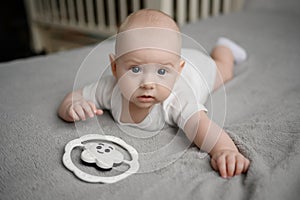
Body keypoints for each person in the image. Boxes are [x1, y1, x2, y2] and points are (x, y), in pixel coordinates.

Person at [58, 9, 249, 178]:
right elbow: (74, 97)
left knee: (225, 71)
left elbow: (200, 126)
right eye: (135, 69)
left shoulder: (177, 99)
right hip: (170, 59)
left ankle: (225, 48)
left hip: (198, 69)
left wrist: (224, 150)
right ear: (115, 68)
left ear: (178, 70)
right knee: (159, 60)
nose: (148, 83)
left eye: (161, 72)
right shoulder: (110, 89)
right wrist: (72, 107)